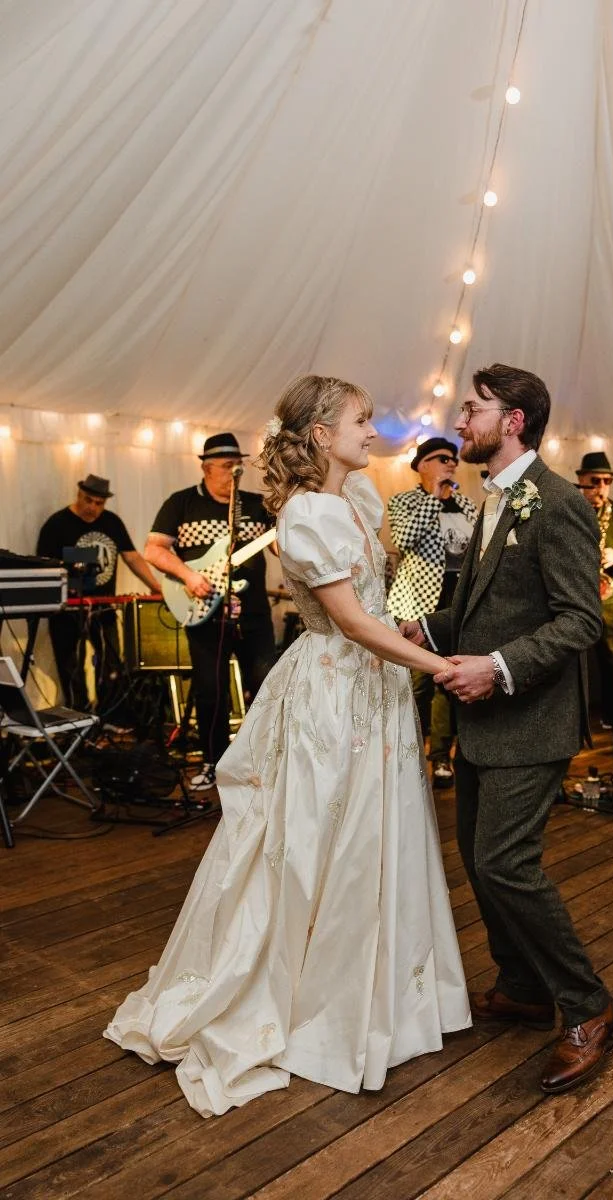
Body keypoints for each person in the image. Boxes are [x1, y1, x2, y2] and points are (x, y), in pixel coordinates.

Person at [105, 375, 470, 1117]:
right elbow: (351, 623)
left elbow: (378, 610)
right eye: (362, 421)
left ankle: (383, 999)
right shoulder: (304, 514)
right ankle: (317, 1003)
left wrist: (414, 633)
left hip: (379, 686)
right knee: (319, 841)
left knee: (376, 833)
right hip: (334, 692)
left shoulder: (360, 501)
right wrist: (440, 668)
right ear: (320, 435)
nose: (374, 433)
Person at [401, 363, 613, 1096]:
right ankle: (524, 985)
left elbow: (580, 621)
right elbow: (478, 605)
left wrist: (496, 667)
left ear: (515, 421)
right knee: (474, 854)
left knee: (504, 862)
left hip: (529, 717)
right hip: (481, 718)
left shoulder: (556, 503)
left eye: (474, 410)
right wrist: (423, 629)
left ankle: (589, 1005)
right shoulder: (490, 498)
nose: (461, 422)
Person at [144, 434, 277, 792]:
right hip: (205, 613)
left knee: (264, 685)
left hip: (253, 613)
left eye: (239, 464)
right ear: (206, 467)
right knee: (210, 689)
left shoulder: (257, 504)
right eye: (225, 465)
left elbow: (280, 548)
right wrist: (188, 575)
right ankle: (213, 762)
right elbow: (154, 550)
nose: (235, 471)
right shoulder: (182, 503)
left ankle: (263, 762)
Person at [387, 437, 478, 786]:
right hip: (416, 608)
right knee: (415, 685)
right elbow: (404, 539)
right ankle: (403, 756)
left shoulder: (467, 505)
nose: (451, 464)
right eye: (442, 458)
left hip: (457, 608)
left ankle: (441, 758)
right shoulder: (404, 501)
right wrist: (433, 499)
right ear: (422, 464)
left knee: (448, 685)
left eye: (454, 459)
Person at [36, 474, 161, 717]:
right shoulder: (57, 524)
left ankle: (109, 717)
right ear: (78, 494)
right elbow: (43, 566)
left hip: (103, 610)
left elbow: (132, 556)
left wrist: (156, 586)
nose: (92, 507)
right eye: (88, 500)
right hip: (66, 611)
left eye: (99, 503)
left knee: (111, 663)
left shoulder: (112, 522)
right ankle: (78, 718)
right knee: (71, 666)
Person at [575, 452, 613, 758]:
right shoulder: (570, 510)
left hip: (608, 601)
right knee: (571, 671)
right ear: (581, 482)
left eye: (607, 481)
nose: (601, 486)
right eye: (595, 481)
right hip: (573, 602)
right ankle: (569, 741)